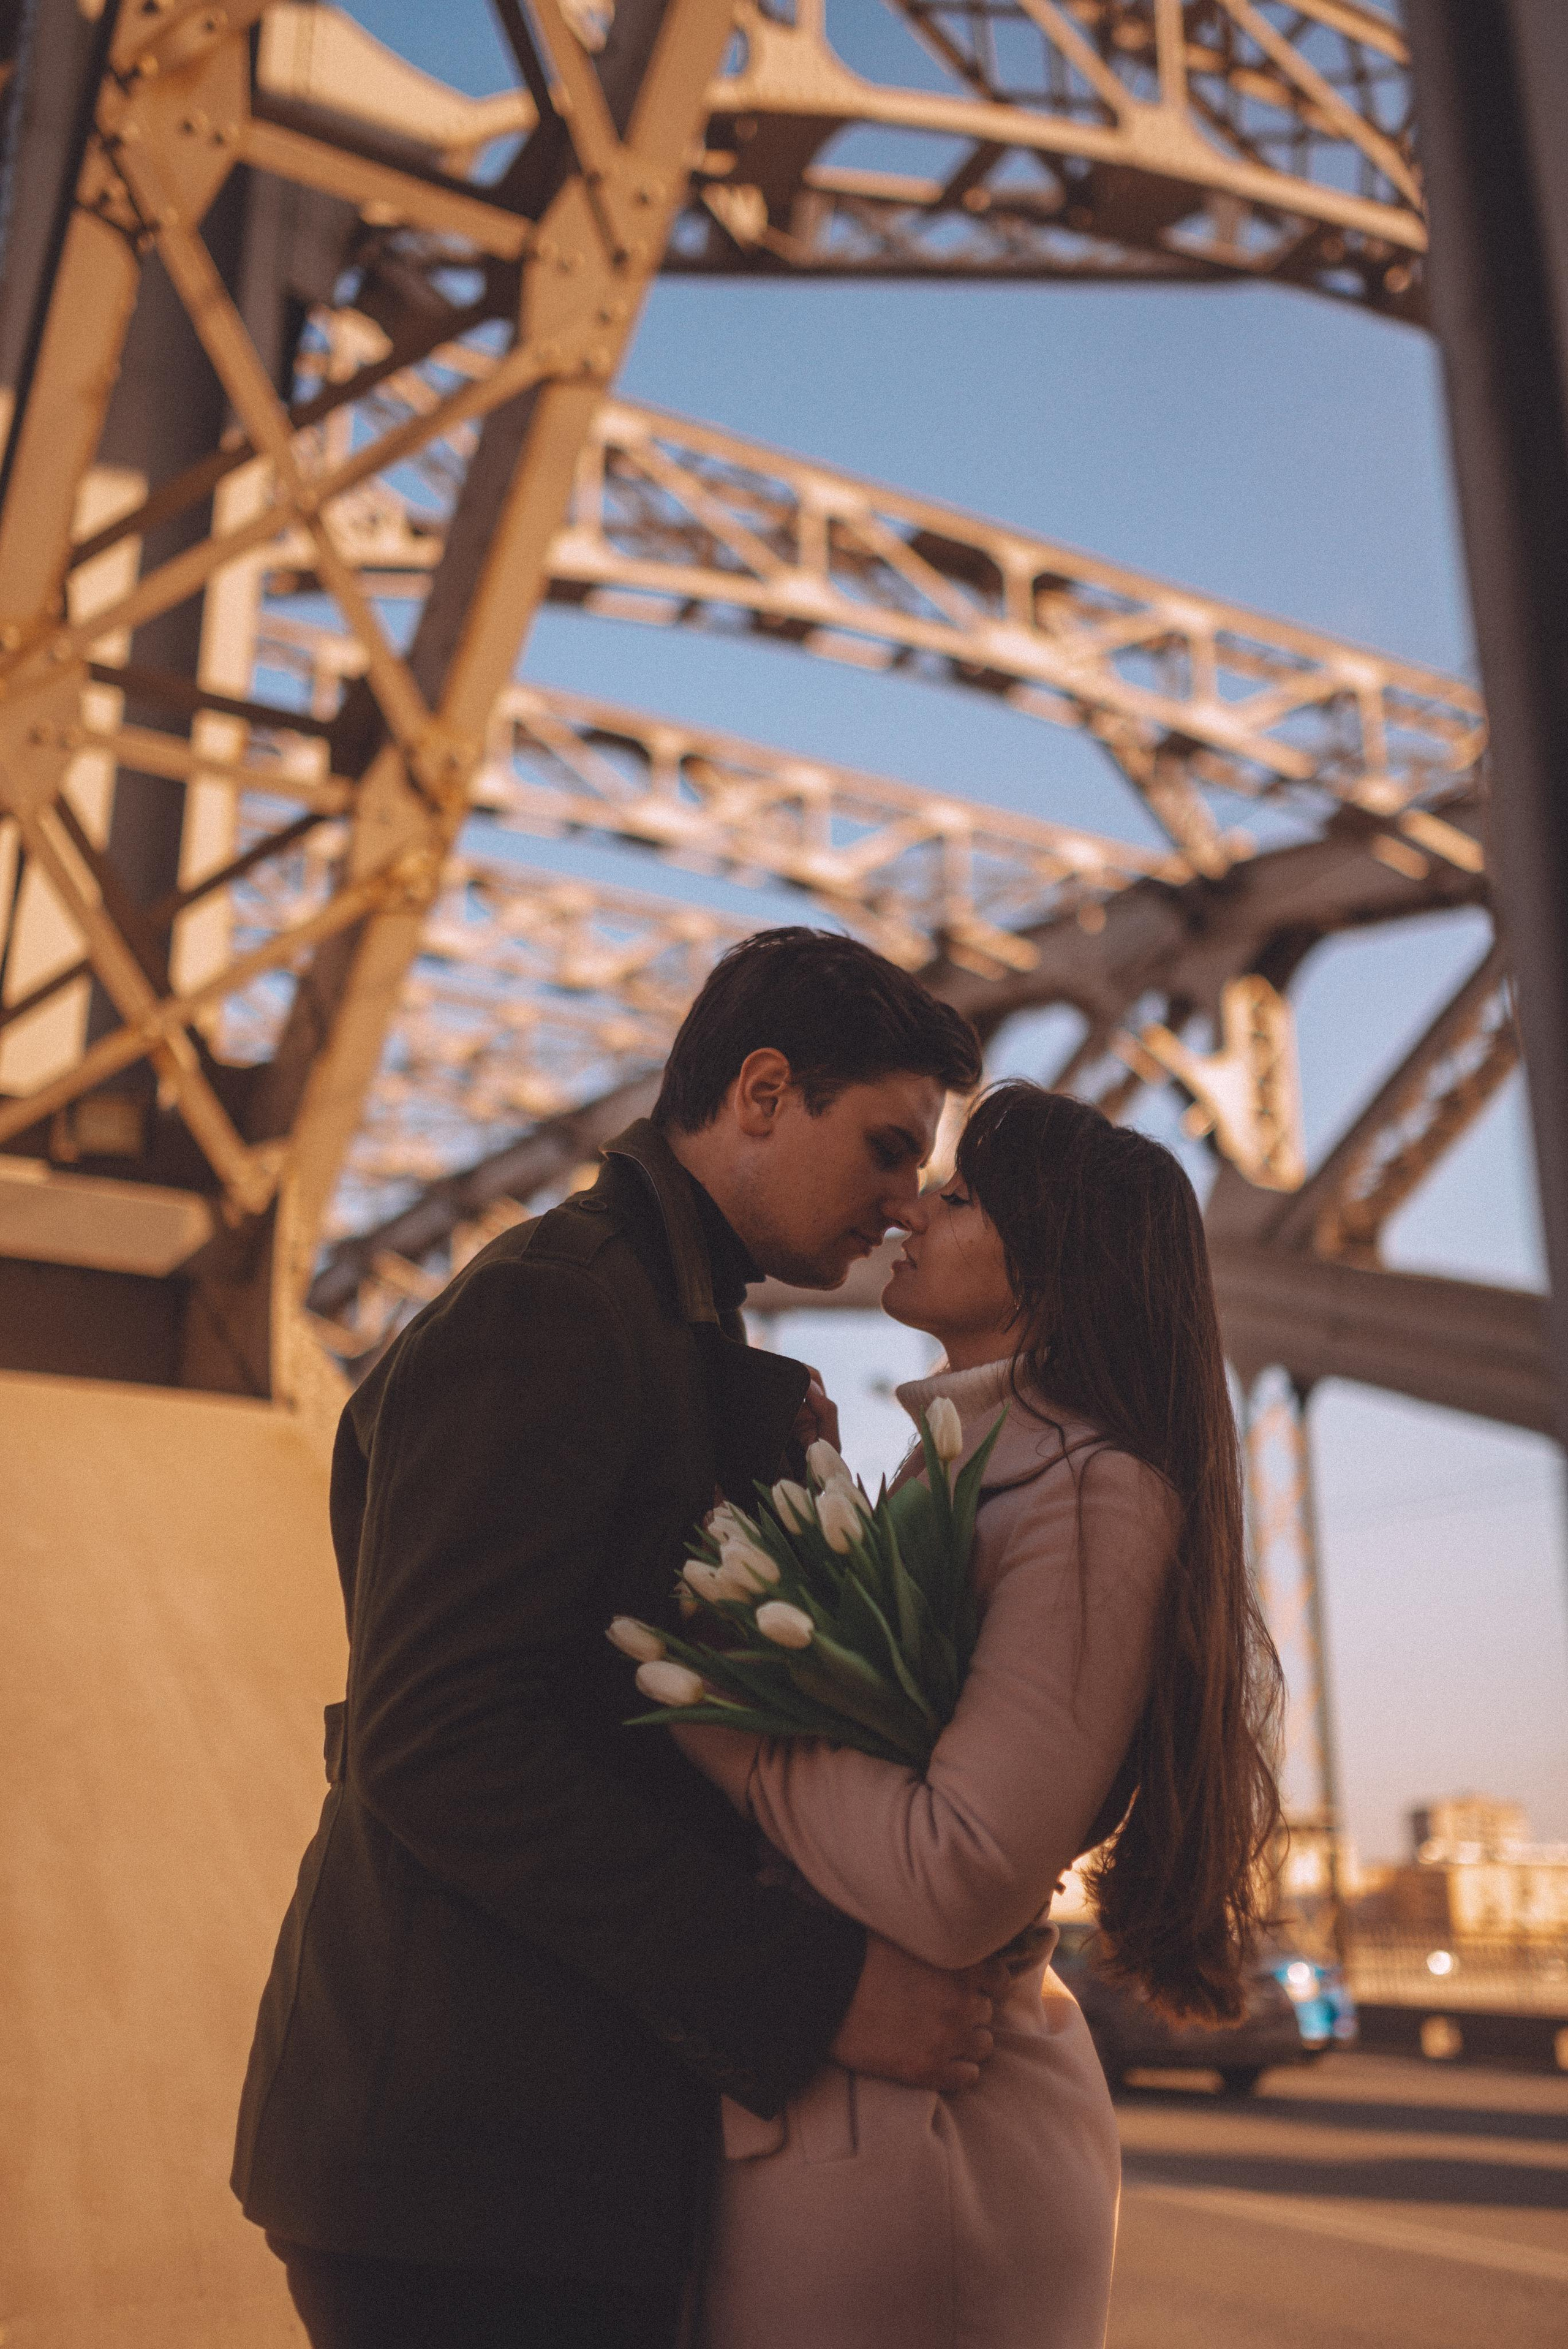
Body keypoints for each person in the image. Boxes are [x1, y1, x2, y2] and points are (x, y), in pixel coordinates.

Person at [232, 929, 992, 2349]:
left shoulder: (651, 1321)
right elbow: (442, 1742)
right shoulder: (553, 1309)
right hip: (460, 2170)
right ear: (761, 1091)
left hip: (520, 2152)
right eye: (887, 1150)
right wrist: (813, 1989)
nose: (903, 1207)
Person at [671, 1081, 1285, 2349]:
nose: (906, 1212)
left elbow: (958, 1876)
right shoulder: (973, 1468)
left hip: (920, 2157)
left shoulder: (1082, 1489)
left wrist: (708, 1714)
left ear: (1049, 1260)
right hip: (856, 2124)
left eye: (953, 1198)